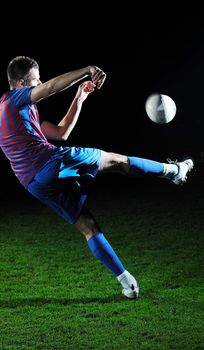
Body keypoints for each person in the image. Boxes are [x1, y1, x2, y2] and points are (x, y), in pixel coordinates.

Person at [0, 56, 194, 299]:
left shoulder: (16, 112)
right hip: (50, 164)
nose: (40, 82)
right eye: (35, 79)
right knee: (118, 161)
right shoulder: (13, 99)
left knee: (88, 226)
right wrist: (86, 70)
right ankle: (174, 172)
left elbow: (61, 133)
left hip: (34, 184)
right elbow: (50, 88)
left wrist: (79, 98)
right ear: (20, 84)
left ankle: (128, 284)